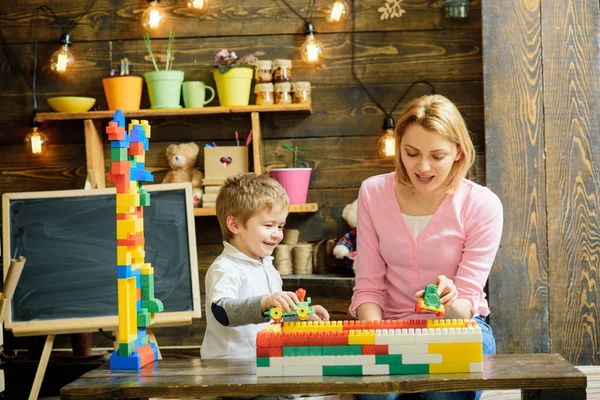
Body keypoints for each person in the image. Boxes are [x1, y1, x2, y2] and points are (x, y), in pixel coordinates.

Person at [349, 94, 503, 400]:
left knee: (442, 393)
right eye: (411, 152)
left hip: (459, 328)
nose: (422, 166)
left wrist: (450, 299)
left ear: (459, 152)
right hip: (388, 327)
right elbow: (368, 285)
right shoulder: (373, 193)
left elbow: (467, 305)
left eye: (437, 155)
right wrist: (376, 341)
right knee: (378, 394)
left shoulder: (482, 205)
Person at [201, 172, 330, 361]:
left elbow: (271, 316)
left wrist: (300, 316)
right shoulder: (225, 268)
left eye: (280, 226)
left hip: (262, 362)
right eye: (269, 225)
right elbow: (222, 311)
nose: (277, 234)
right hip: (231, 367)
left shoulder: (267, 267)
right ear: (234, 224)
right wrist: (264, 302)